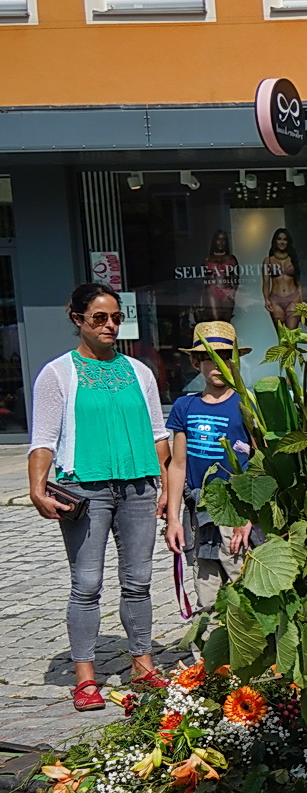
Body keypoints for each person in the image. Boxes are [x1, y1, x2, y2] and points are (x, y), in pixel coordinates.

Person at [28, 283, 170, 711]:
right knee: (86, 584)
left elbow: (158, 435)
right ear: (77, 319)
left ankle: (143, 666)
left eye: (115, 318)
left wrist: (164, 487)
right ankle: (86, 677)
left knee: (139, 582)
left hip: (139, 487)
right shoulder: (57, 373)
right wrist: (37, 487)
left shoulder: (140, 372)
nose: (110, 326)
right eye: (99, 318)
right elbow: (43, 440)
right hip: (84, 489)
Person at [164, 323, 256, 612]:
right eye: (210, 357)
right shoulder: (184, 406)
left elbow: (259, 463)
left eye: (226, 356)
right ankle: (211, 653)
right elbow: (177, 465)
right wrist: (173, 519)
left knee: (243, 585)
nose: (219, 364)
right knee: (206, 589)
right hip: (198, 511)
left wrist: (249, 516)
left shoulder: (247, 403)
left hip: (236, 510)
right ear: (195, 362)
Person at [263, 227, 303, 329]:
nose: (282, 242)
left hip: (293, 298)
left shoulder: (293, 259)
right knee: (282, 339)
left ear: (288, 242)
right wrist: (266, 299)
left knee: (292, 337)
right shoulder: (268, 261)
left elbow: (298, 282)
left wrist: (302, 301)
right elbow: (266, 283)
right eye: (279, 239)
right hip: (275, 300)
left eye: (285, 239)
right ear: (275, 241)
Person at [201, 229, 239, 322]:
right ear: (214, 241)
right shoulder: (207, 259)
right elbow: (203, 279)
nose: (221, 242)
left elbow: (236, 278)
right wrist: (200, 299)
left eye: (223, 240)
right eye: (218, 239)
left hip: (227, 290)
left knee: (226, 322)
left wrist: (233, 291)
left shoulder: (231, 259)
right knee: (215, 319)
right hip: (212, 290)